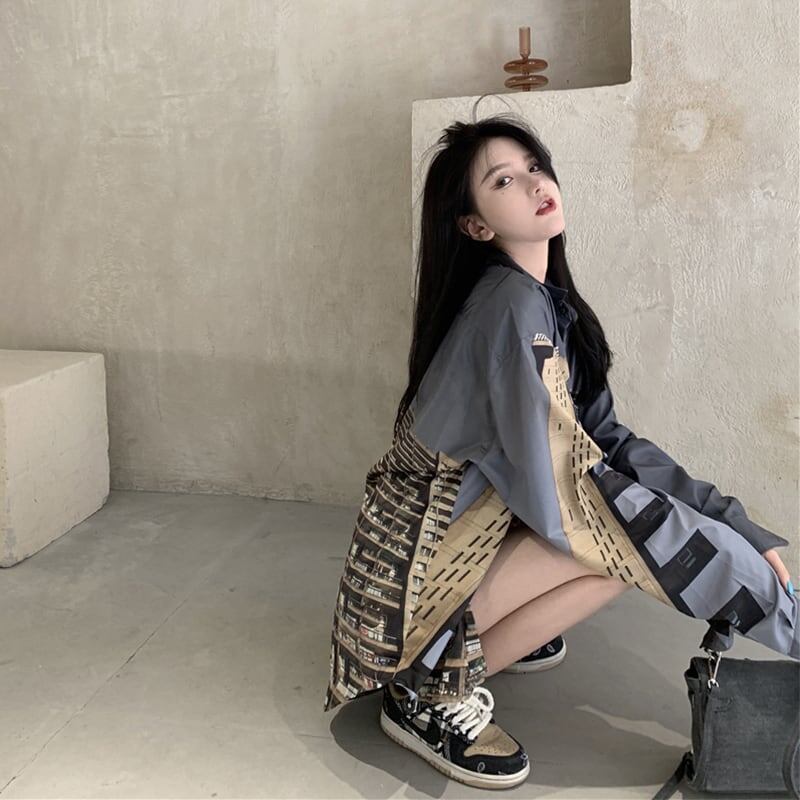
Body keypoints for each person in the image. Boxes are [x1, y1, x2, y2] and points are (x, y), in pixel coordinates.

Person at [322, 110, 798, 790]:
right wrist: (749, 580)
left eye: (534, 167)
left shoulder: (544, 303)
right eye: (503, 181)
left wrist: (731, 520)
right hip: (403, 587)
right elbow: (567, 491)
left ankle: (475, 640)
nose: (534, 185)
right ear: (475, 226)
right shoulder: (508, 310)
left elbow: (610, 441)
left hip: (438, 551)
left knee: (625, 549)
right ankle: (423, 693)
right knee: (621, 550)